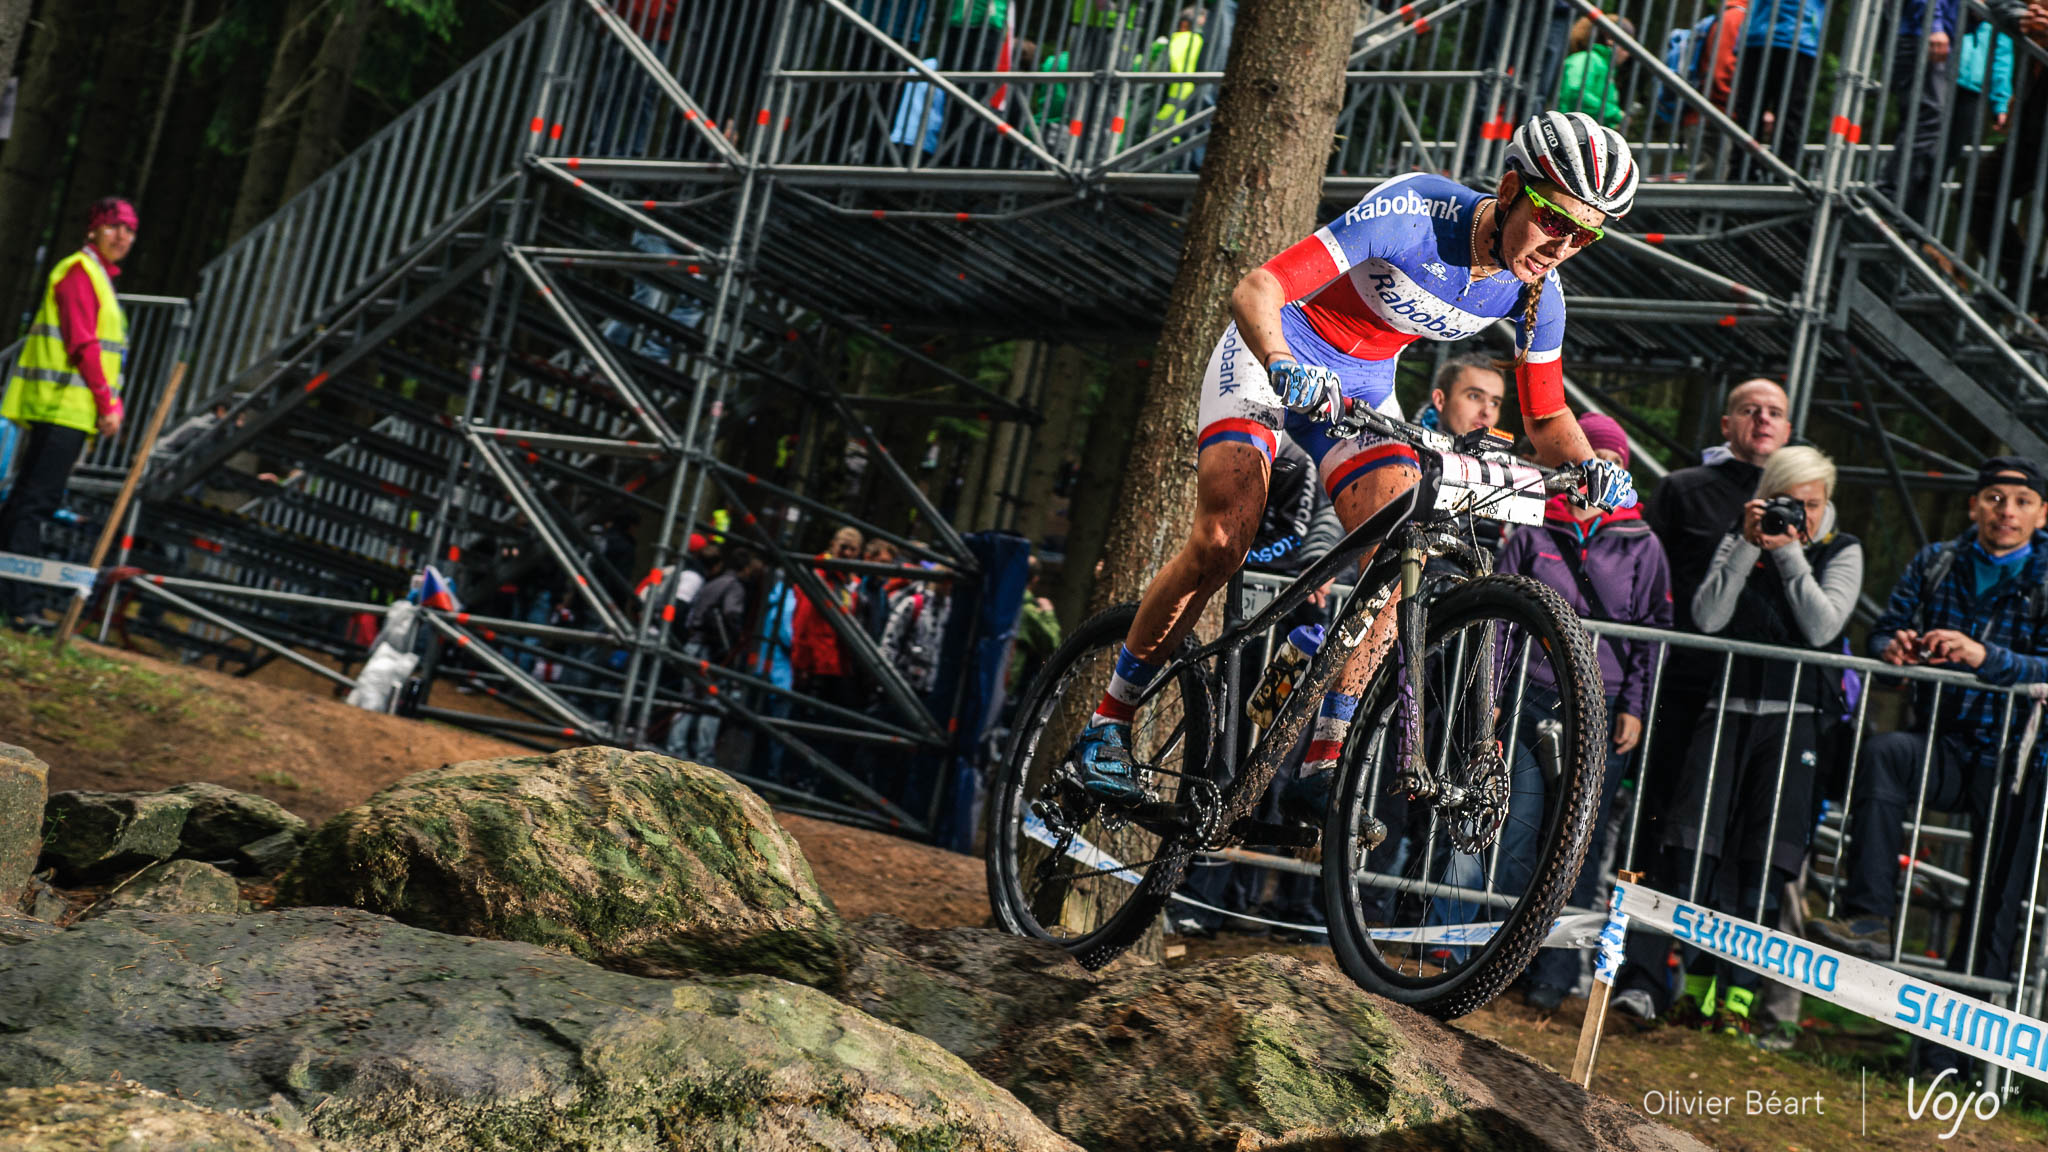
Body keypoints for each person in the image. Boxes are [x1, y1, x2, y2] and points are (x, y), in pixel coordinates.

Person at [1070, 112, 1641, 818]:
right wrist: (1281, 364)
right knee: (1223, 539)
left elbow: (1548, 417)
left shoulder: (1535, 294)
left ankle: (1324, 756)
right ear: (1513, 187)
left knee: (1405, 544)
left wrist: (1594, 465)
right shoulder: (1416, 212)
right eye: (1555, 219)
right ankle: (1108, 723)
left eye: (1586, 234)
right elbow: (1258, 290)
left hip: (1362, 390)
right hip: (1273, 352)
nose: (1564, 245)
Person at [1806, 457, 2048, 1069]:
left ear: (2042, 514)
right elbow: (1883, 630)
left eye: (2021, 503)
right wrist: (1897, 646)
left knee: (1993, 909)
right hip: (1940, 739)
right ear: (1975, 506)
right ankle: (1870, 916)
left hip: (2021, 759)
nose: (2006, 512)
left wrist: (1982, 656)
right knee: (1885, 755)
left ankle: (1953, 1061)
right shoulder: (1937, 560)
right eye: (1994, 498)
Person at [1635, 446, 1861, 1039]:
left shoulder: (1842, 549)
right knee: (1701, 853)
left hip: (1794, 719)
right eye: (1790, 503)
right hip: (1726, 711)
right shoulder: (1744, 534)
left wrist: (1789, 555)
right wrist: (1745, 544)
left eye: (1811, 505)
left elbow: (1822, 626)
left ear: (1827, 503)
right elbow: (1707, 617)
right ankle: (1696, 994)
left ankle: (1739, 1000)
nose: (1799, 516)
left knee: (1764, 862)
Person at [1494, 413, 1672, 1011]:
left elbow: (1653, 633)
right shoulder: (1533, 526)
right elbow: (1497, 614)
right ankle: (1497, 956)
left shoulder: (1645, 544)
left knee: (1579, 841)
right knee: (1517, 826)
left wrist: (1636, 708)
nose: (1603, 469)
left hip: (1603, 704)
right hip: (1531, 692)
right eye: (1591, 456)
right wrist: (1492, 694)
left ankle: (1556, 970)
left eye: (1613, 459)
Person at [1632, 380, 1788, 889]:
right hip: (1685, 686)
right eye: (1750, 410)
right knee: (1657, 816)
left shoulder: (1804, 501)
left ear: (1787, 430)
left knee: (1734, 836)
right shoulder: (1685, 488)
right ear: (1727, 424)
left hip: (1759, 696)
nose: (1762, 420)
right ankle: (1636, 963)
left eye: (1774, 413)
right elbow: (1648, 582)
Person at [0, 197, 134, 627]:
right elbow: (83, 343)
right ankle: (22, 608)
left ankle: (13, 600)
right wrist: (106, 401)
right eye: (113, 226)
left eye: (129, 230)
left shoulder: (96, 277)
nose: (122, 236)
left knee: (24, 502)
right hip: (61, 406)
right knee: (35, 504)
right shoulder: (79, 271)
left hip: (68, 409)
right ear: (93, 229)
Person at [666, 545, 765, 766]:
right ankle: (704, 756)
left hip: (694, 645)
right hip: (710, 651)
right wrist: (733, 639)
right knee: (713, 703)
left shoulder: (715, 582)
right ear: (747, 568)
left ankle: (676, 748)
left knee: (688, 699)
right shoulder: (735, 587)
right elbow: (731, 613)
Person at [1417, 354, 1511, 556]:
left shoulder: (1504, 472)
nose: (1487, 412)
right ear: (1440, 400)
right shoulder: (1401, 451)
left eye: (1495, 402)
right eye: (1475, 396)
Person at [1877, 0, 1960, 218]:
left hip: (1930, 34)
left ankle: (1897, 206)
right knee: (1927, 118)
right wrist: (1934, 26)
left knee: (1925, 126)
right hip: (1921, 36)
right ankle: (1888, 195)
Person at [1730, 0, 1827, 174]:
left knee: (1786, 113)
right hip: (1762, 35)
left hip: (1796, 38)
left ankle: (1782, 174)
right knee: (1750, 112)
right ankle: (1744, 172)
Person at [1557, 13, 1636, 129]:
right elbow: (1575, 93)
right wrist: (1616, 114)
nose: (1627, 54)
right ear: (1610, 39)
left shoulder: (1604, 67)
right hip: (1569, 131)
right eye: (1625, 47)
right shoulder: (1586, 59)